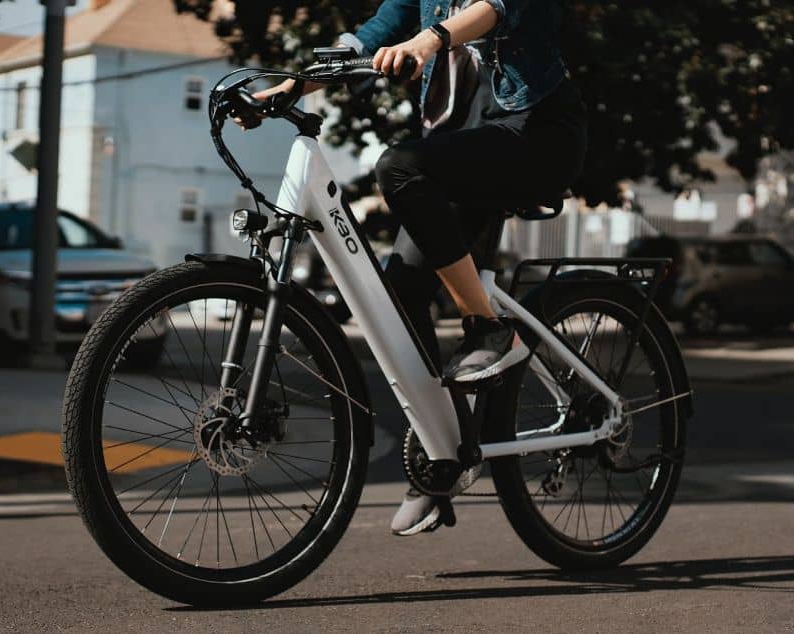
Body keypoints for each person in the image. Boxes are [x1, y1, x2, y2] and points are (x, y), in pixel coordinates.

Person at [251, 0, 588, 535]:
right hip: (459, 149)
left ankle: (488, 328)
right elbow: (371, 35)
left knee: (400, 167)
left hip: (535, 133)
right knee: (398, 293)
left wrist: (429, 40)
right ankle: (445, 456)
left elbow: (495, 9)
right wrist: (294, 85)